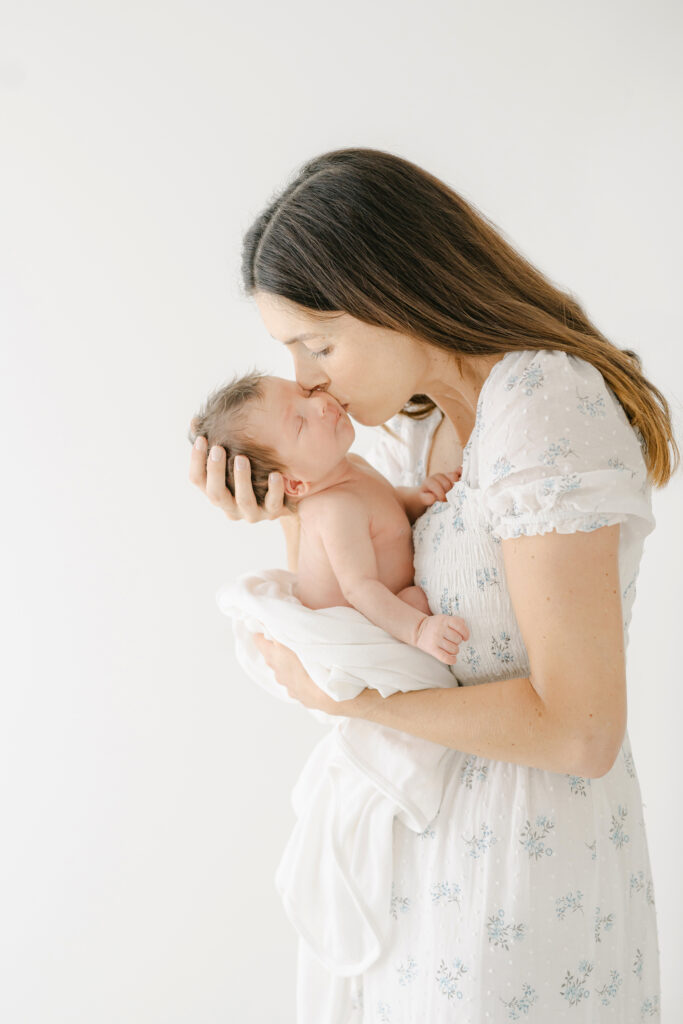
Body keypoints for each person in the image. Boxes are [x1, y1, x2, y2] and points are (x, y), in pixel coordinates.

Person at [188, 148, 678, 1021]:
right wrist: (288, 505)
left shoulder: (539, 404)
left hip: (517, 891)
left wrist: (358, 703)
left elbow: (580, 732)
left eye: (318, 343)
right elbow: (360, 605)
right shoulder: (418, 436)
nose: (306, 378)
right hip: (426, 880)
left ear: (392, 293)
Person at [188, 369, 468, 662]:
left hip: (375, 602)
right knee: (415, 602)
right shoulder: (334, 511)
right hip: (352, 629)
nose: (321, 404)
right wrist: (419, 629)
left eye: (305, 393)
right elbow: (361, 590)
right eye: (300, 423)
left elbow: (385, 510)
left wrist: (416, 497)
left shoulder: (351, 466)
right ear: (294, 484)